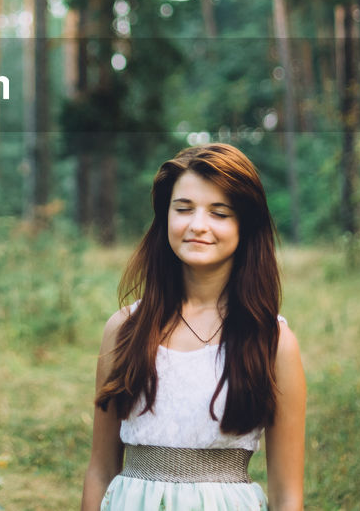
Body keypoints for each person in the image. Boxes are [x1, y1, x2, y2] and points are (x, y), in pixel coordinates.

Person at [81, 143, 306, 511]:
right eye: (183, 209)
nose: (197, 226)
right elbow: (101, 469)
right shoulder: (125, 330)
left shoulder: (273, 342)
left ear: (244, 226)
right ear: (165, 217)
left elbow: (287, 494)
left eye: (219, 213)